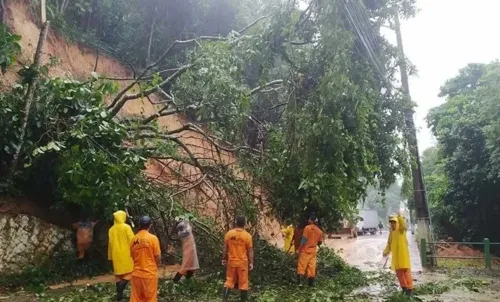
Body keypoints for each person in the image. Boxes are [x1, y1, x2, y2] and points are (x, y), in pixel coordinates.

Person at [222, 216, 254, 302]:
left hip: (231, 262)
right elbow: (250, 251)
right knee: (243, 283)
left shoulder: (229, 234)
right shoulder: (247, 236)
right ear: (245, 224)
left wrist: (224, 258)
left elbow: (225, 248)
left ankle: (224, 300)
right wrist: (251, 263)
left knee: (229, 281)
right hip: (242, 263)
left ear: (236, 222)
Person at [130, 216, 161, 302]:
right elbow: (158, 256)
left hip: (136, 274)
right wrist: (156, 266)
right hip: (149, 274)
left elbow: (132, 256)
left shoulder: (133, 239)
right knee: (150, 298)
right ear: (150, 225)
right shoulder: (153, 238)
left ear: (140, 225)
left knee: (136, 299)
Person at [383, 213, 413, 296]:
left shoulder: (401, 230)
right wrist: (385, 252)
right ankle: (404, 288)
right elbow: (389, 244)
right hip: (396, 258)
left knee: (406, 272)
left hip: (403, 256)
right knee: (399, 274)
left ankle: (410, 289)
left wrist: (399, 216)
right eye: (391, 223)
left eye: (394, 222)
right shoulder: (391, 233)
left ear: (397, 223)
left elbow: (403, 225)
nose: (392, 224)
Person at [108, 210, 135, 301]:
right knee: (130, 273)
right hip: (126, 254)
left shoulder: (111, 229)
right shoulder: (126, 227)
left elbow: (110, 244)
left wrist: (110, 256)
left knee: (118, 275)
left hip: (115, 254)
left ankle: (119, 297)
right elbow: (132, 241)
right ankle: (120, 292)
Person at [296, 215, 323, 287]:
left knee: (301, 266)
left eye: (309, 219)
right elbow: (320, 242)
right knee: (312, 268)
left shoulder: (307, 228)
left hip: (305, 251)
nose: (308, 220)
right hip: (313, 252)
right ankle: (310, 285)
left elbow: (304, 239)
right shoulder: (319, 231)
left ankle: (300, 284)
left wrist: (299, 249)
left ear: (311, 220)